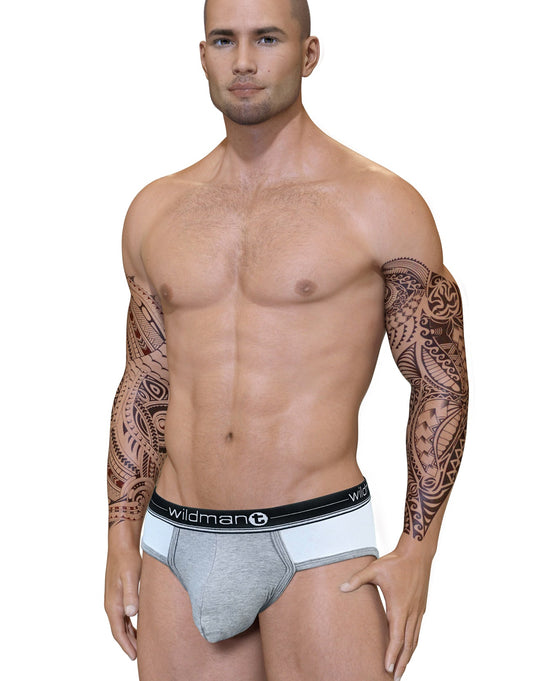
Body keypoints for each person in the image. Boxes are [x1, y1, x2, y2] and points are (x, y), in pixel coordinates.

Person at [104, 0, 469, 679]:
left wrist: (417, 551)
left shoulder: (379, 203)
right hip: (177, 538)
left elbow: (438, 381)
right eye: (224, 40)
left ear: (308, 54)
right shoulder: (156, 209)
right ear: (203, 55)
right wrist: (120, 536)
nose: (243, 61)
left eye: (267, 39)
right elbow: (146, 376)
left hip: (315, 539)